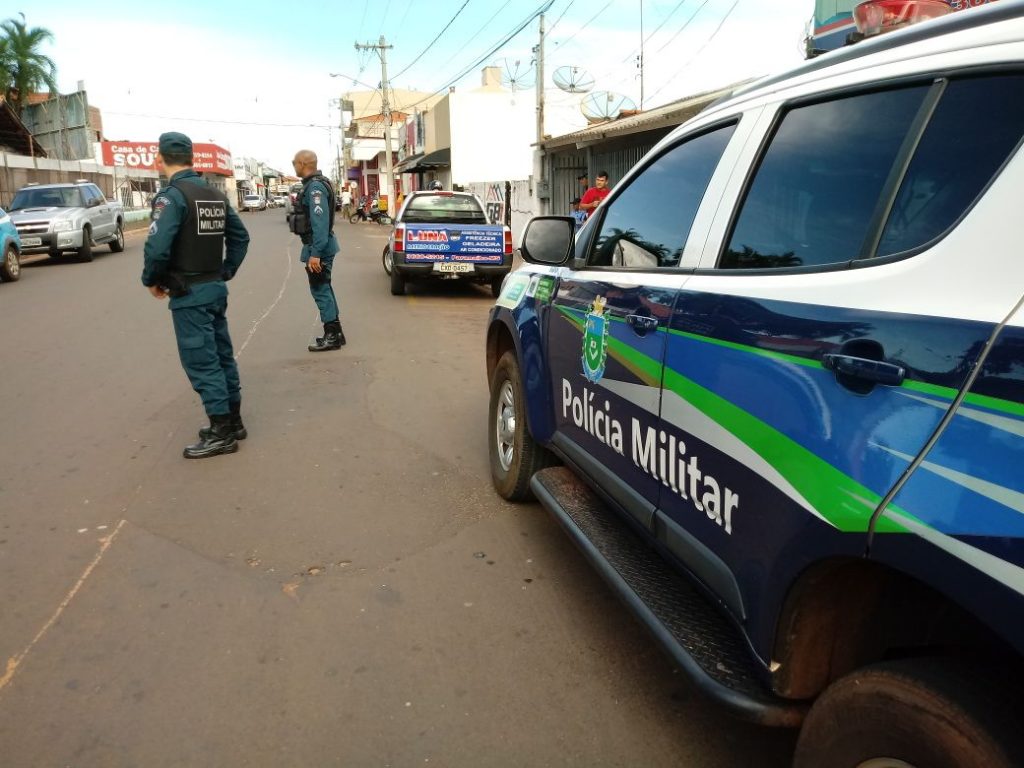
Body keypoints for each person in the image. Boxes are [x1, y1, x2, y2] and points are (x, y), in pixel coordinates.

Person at [141, 132, 250, 459]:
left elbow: (157, 247)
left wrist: (151, 279)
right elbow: (240, 238)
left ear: (160, 159)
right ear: (192, 158)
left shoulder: (171, 197)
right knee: (221, 355)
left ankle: (221, 433)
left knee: (202, 362)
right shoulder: (212, 193)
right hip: (214, 289)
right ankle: (233, 422)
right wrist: (225, 271)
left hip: (190, 293)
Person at [290, 149, 346, 352]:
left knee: (320, 289)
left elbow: (320, 224)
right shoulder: (316, 184)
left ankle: (332, 336)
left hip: (318, 246)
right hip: (317, 245)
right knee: (324, 288)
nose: (292, 164)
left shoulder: (314, 189)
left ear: (303, 164)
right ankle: (336, 333)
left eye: (294, 161)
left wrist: (315, 253)